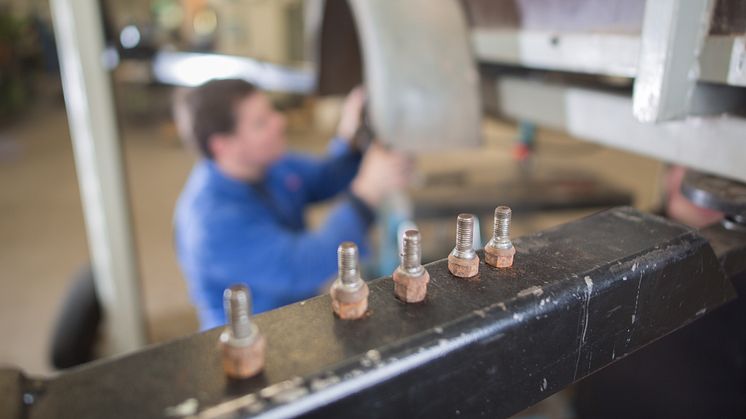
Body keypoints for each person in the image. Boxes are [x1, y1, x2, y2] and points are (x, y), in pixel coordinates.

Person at [173, 79, 411, 330]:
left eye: (272, 111)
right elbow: (304, 264)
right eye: (261, 123)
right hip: (254, 338)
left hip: (294, 315)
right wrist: (365, 194)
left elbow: (323, 178)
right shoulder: (211, 224)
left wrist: (350, 141)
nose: (280, 122)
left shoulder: (267, 165)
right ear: (222, 145)